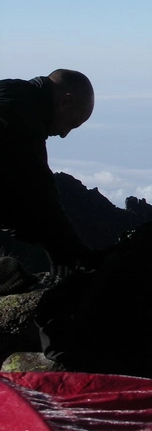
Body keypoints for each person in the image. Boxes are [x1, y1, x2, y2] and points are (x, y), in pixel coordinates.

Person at [0, 69, 99, 285]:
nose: (64, 134)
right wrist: (69, 251)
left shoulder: (12, 93)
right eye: (71, 124)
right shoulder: (21, 121)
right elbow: (38, 195)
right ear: (65, 101)